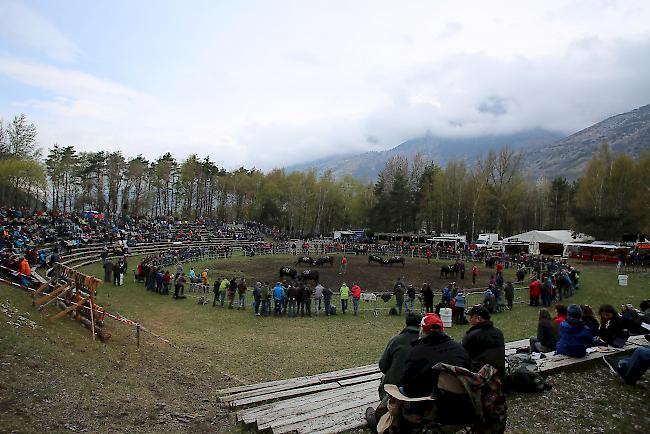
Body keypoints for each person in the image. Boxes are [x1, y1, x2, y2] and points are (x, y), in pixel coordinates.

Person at [377, 313, 422, 400]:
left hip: (395, 389)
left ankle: (384, 408)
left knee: (385, 380)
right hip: (421, 390)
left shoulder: (396, 340)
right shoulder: (429, 342)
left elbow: (383, 366)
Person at [462, 305, 506, 378]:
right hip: (499, 377)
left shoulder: (472, 336)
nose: (469, 319)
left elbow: (464, 356)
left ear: (478, 318)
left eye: (471, 316)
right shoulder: (498, 333)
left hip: (480, 379)